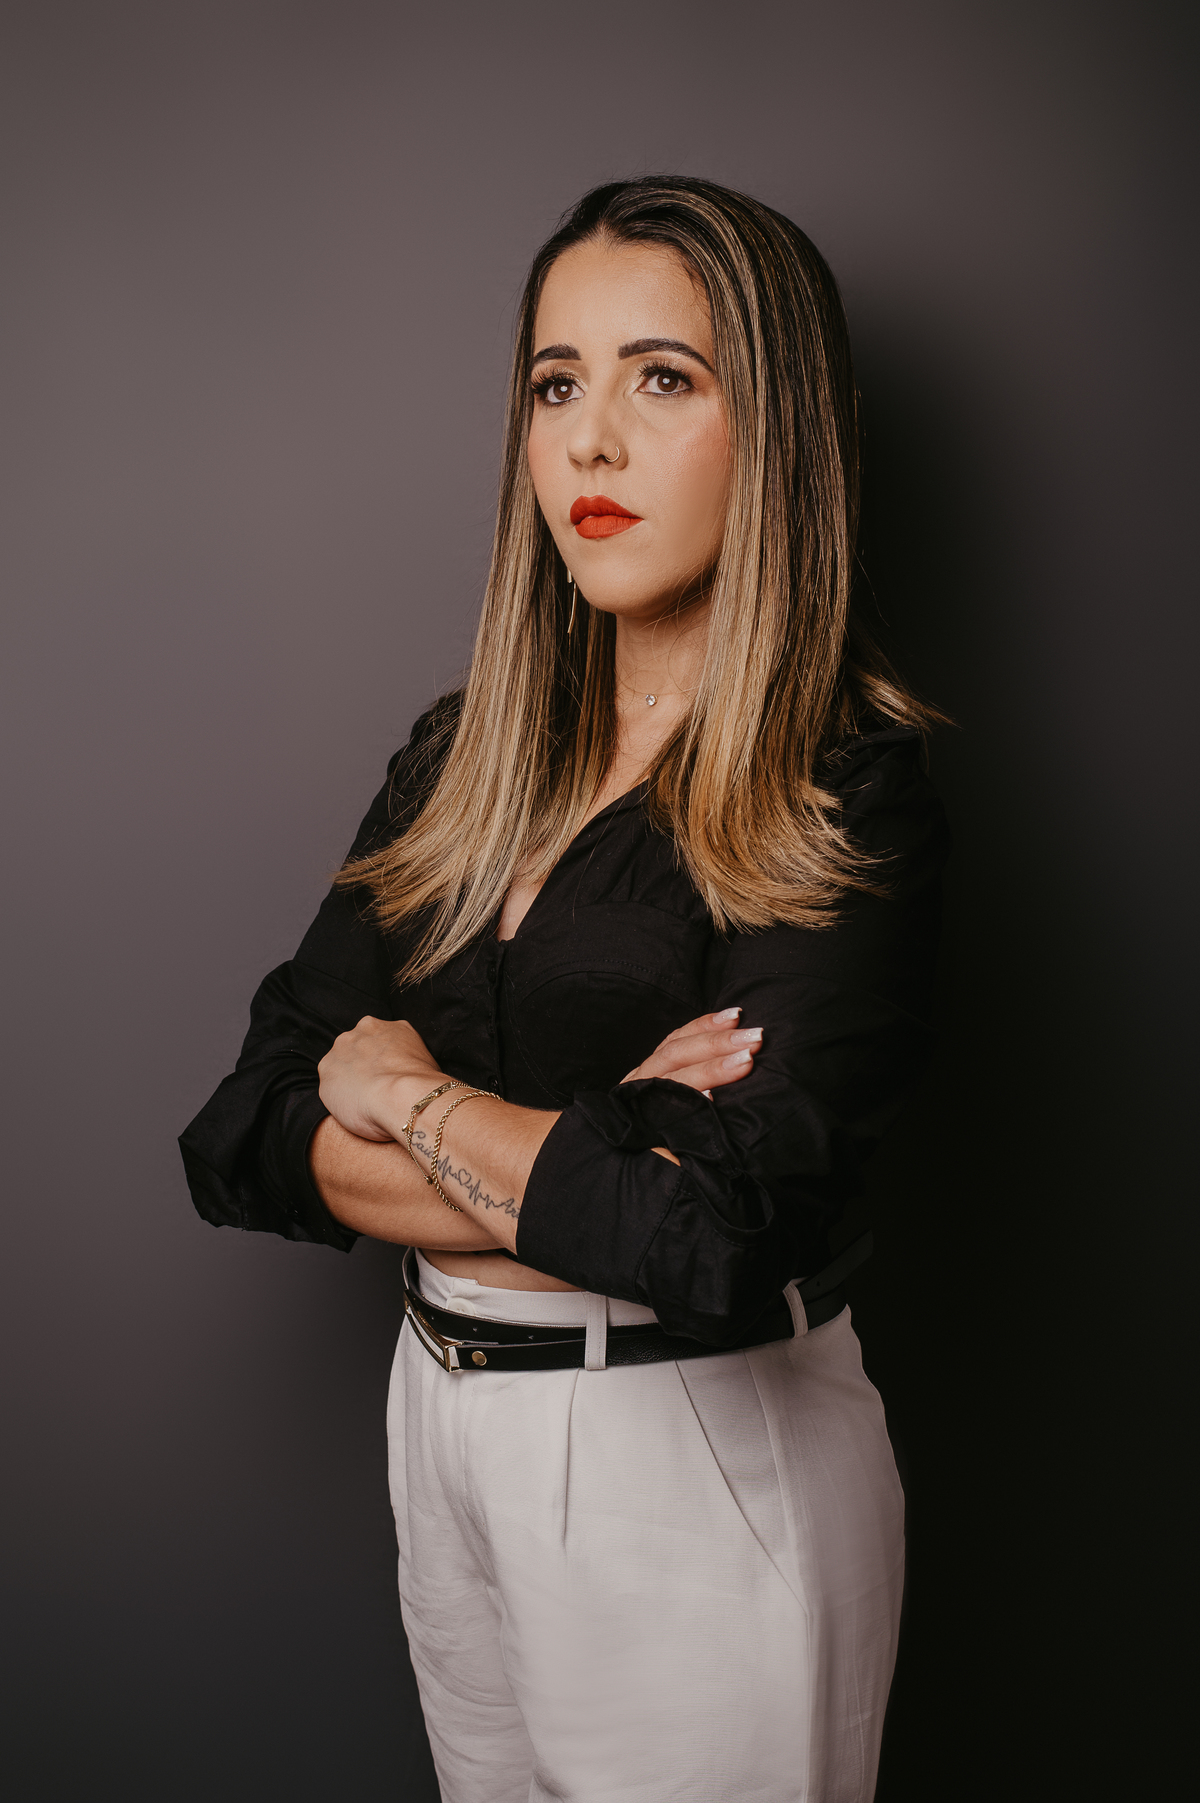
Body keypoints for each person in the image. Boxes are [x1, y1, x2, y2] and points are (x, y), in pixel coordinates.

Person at [180, 176, 949, 1803]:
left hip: (691, 1457)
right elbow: (246, 1128)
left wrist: (407, 1098)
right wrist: (596, 1145)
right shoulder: (461, 757)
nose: (590, 440)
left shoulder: (847, 793)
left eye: (663, 378)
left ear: (777, 430)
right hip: (447, 1422)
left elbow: (711, 1241)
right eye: (556, 383)